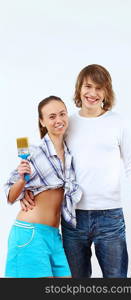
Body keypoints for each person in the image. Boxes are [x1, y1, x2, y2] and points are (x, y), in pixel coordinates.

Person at [21, 65, 131, 278]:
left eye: (99, 88)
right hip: (72, 216)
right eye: (88, 86)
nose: (92, 93)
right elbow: (49, 162)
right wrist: (27, 189)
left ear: (106, 92)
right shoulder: (67, 123)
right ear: (79, 88)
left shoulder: (119, 123)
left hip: (110, 217)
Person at [4, 95, 82, 278]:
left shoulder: (70, 154)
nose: (58, 120)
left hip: (54, 236)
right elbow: (9, 195)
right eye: (52, 116)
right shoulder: (34, 151)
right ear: (42, 121)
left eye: (62, 114)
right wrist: (22, 182)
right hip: (30, 234)